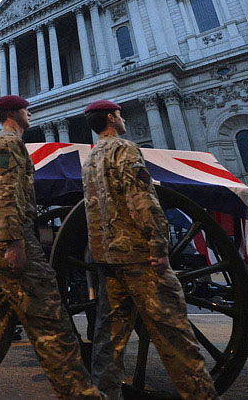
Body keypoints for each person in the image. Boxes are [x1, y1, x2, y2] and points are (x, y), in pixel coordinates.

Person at [0, 95, 103, 399]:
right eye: (27, 110)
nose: (31, 113)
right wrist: (15, 241)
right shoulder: (8, 143)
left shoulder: (1, 143)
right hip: (13, 241)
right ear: (14, 113)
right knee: (52, 324)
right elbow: (7, 192)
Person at [81, 100, 218, 399]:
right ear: (111, 118)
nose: (123, 119)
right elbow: (142, 199)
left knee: (109, 340)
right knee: (175, 334)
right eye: (120, 115)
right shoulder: (124, 149)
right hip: (139, 257)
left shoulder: (89, 160)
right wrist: (158, 245)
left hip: (109, 257)